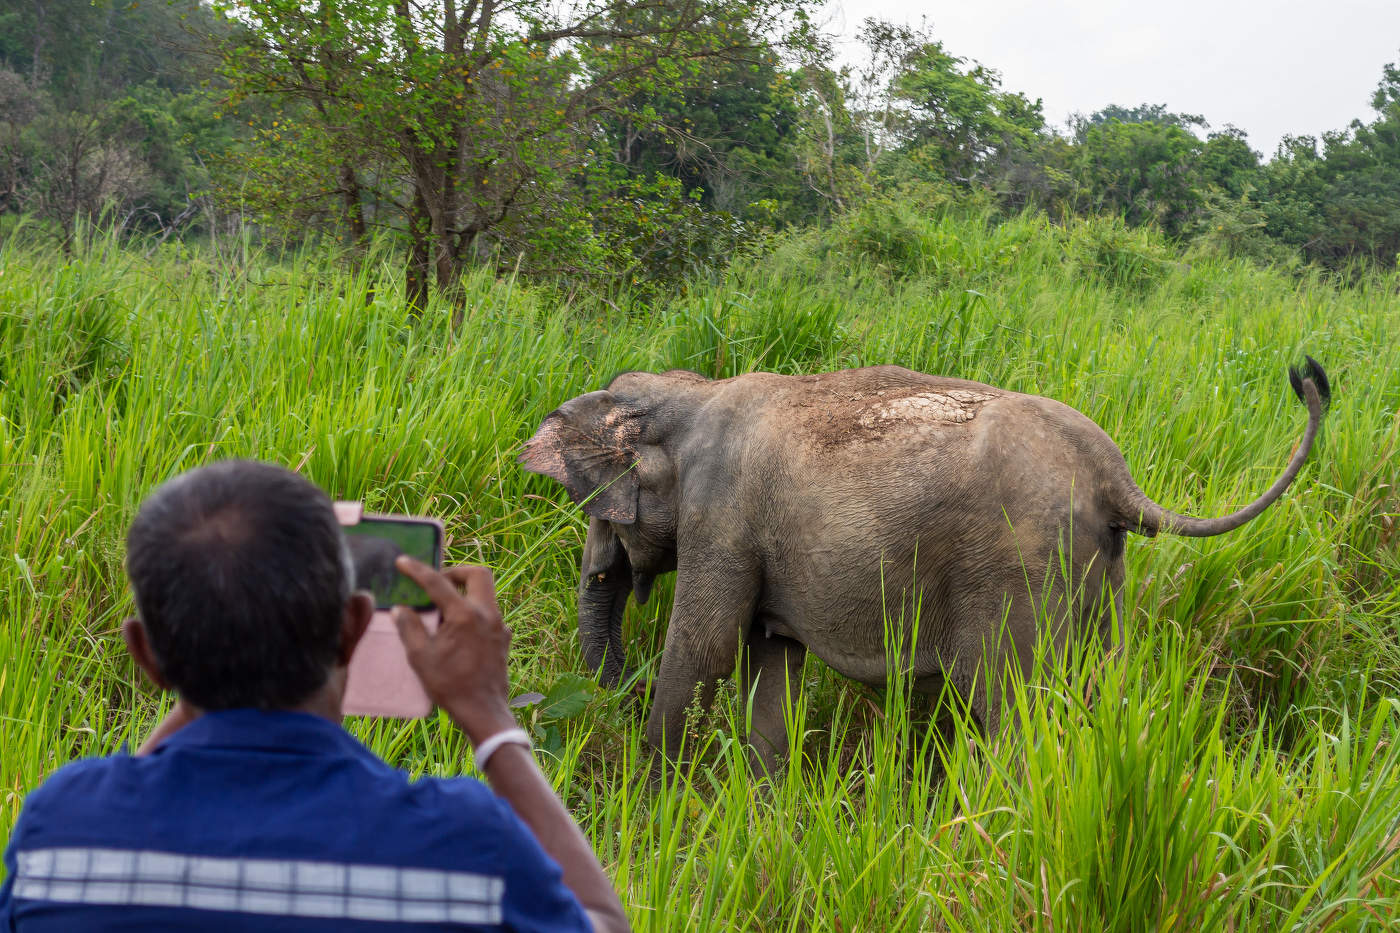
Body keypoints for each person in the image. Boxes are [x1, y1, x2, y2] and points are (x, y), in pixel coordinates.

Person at [0, 460, 630, 932]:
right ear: (355, 627)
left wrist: (197, 668)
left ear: (143, 655)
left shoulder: (58, 831)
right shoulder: (467, 844)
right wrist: (490, 718)